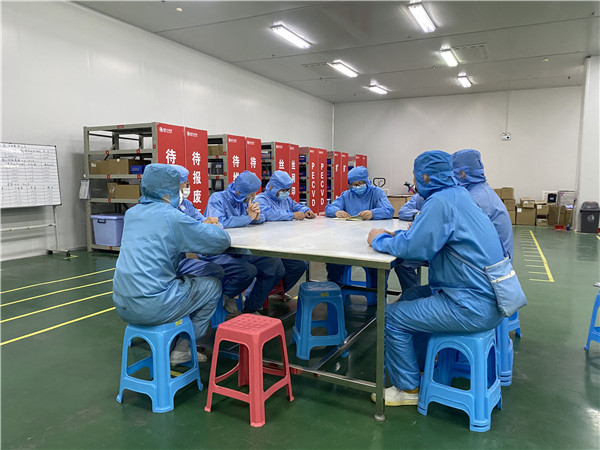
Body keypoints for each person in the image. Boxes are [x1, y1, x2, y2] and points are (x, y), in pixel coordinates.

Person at [367, 150, 505, 406]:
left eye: (415, 177)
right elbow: (426, 238)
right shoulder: (459, 195)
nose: (414, 182)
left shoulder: (440, 202)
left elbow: (414, 249)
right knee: (410, 295)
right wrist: (404, 237)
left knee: (391, 316)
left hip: (469, 304)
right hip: (486, 296)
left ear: (426, 177)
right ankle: (417, 366)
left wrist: (379, 238)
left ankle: (407, 389)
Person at [112, 164, 231, 364]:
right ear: (169, 191)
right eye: (179, 187)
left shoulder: (132, 213)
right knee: (213, 286)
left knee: (199, 274)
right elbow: (220, 241)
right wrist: (216, 227)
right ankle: (183, 348)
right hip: (153, 305)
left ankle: (177, 333)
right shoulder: (171, 216)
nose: (181, 191)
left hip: (122, 302)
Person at [205, 170, 285, 314]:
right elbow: (220, 223)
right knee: (248, 271)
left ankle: (252, 306)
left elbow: (257, 217)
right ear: (239, 191)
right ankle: (226, 295)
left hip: (240, 248)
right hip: (220, 251)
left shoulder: (244, 200)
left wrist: (257, 217)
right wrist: (248, 218)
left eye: (253, 195)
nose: (252, 198)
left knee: (275, 265)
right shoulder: (217, 198)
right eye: (251, 195)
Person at [324, 166, 394, 287]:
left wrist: (373, 213)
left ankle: (377, 292)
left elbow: (389, 210)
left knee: (377, 265)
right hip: (349, 239)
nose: (357, 187)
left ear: (367, 181)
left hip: (371, 238)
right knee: (332, 261)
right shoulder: (347, 195)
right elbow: (329, 208)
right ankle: (336, 288)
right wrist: (336, 212)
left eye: (360, 183)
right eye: (354, 184)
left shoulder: (376, 193)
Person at [255, 170, 316, 299]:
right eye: (283, 190)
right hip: (267, 245)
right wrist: (291, 215)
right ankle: (256, 296)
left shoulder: (285, 200)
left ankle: (279, 291)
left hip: (284, 244)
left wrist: (306, 210)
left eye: (288, 190)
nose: (286, 193)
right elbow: (267, 214)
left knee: (300, 265)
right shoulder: (261, 199)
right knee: (276, 267)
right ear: (272, 187)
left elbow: (296, 206)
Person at [452, 149, 514, 258]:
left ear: (462, 173)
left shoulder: (476, 199)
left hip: (490, 263)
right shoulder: (481, 191)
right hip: (495, 259)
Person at [393, 193, 426, 294]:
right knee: (403, 264)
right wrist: (417, 215)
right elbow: (403, 211)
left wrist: (422, 223)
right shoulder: (420, 197)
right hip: (424, 246)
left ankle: (417, 298)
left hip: (441, 250)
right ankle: (413, 295)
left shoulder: (442, 199)